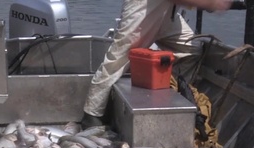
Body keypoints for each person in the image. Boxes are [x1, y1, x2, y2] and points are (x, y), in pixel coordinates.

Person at [81, 0, 232, 129]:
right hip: (143, 8)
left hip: (168, 11)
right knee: (119, 59)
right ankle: (92, 115)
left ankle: (175, 95)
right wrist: (211, 2)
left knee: (190, 49)